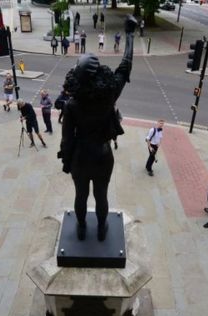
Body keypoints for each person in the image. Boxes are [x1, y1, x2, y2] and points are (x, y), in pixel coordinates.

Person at [59, 15, 137, 241]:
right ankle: (102, 229)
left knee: (80, 195)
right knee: (101, 195)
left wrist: (66, 160)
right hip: (103, 155)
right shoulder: (109, 94)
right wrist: (130, 35)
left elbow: (66, 140)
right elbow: (125, 66)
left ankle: (82, 228)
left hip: (80, 158)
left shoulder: (72, 105)